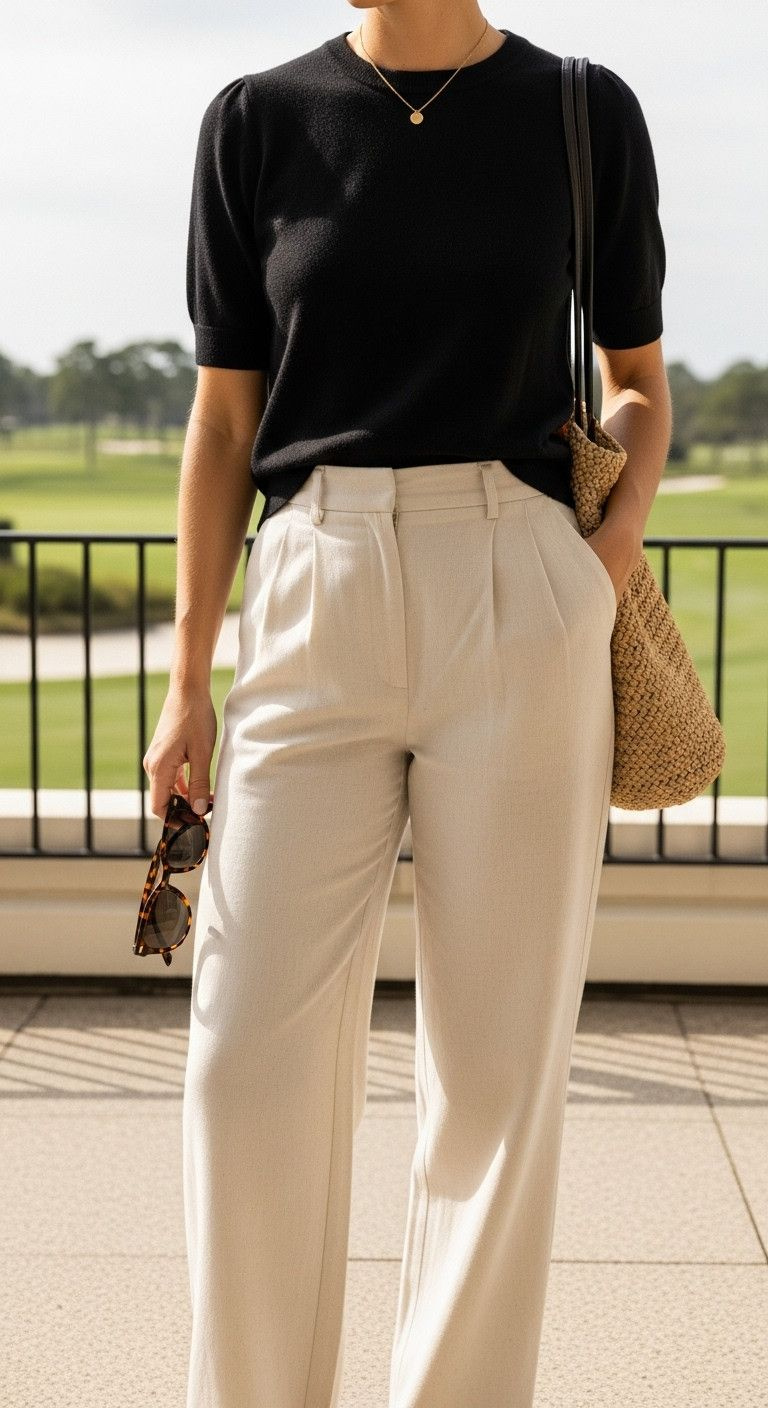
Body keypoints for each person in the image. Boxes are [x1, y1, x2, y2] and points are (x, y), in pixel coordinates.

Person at [143, 3, 672, 1405]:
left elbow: (637, 388)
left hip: (517, 586)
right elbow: (219, 419)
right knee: (242, 1064)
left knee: (496, 1078)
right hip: (310, 585)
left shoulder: (582, 108)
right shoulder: (257, 120)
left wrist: (588, 568)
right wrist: (187, 679)